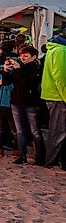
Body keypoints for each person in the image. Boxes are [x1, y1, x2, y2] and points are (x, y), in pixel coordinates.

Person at [2, 45, 44, 165]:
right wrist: (6, 71)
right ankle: (22, 156)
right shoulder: (18, 68)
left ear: (34, 57)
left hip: (31, 103)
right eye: (21, 55)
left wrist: (18, 70)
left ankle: (40, 156)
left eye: (25, 56)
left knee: (35, 131)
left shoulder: (36, 70)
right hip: (16, 102)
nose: (22, 58)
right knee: (20, 131)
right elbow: (6, 82)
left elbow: (28, 85)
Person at [0, 41, 18, 156]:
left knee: (14, 129)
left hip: (10, 104)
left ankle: (16, 149)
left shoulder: (14, 79)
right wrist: (0, 82)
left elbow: (13, 88)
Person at [42, 31, 66, 171]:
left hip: (53, 94)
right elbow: (61, 77)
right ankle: (51, 161)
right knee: (58, 131)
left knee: (58, 130)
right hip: (57, 96)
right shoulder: (61, 51)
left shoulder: (54, 49)